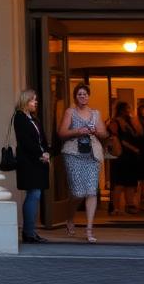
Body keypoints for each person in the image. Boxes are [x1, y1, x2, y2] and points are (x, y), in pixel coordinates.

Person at [57, 83, 107, 242]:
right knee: (78, 192)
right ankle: (70, 218)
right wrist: (77, 131)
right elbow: (62, 133)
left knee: (91, 191)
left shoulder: (95, 113)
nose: (83, 96)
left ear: (89, 96)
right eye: (79, 94)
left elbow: (104, 134)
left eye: (85, 94)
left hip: (92, 154)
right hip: (73, 153)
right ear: (75, 97)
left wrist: (96, 131)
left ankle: (89, 230)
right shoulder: (70, 112)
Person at [12, 89, 50, 244]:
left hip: (39, 162)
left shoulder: (34, 119)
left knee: (36, 195)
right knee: (33, 195)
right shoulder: (20, 118)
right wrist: (40, 155)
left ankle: (31, 232)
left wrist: (47, 152)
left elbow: (42, 139)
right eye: (33, 100)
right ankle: (28, 233)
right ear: (25, 101)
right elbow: (26, 142)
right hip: (29, 163)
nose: (36, 103)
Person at [107, 100, 141, 216]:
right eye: (127, 108)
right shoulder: (115, 121)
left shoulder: (129, 121)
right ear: (121, 110)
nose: (129, 111)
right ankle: (116, 208)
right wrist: (134, 149)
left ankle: (129, 205)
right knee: (120, 183)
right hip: (122, 155)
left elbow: (137, 134)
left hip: (130, 156)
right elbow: (117, 138)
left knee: (130, 182)